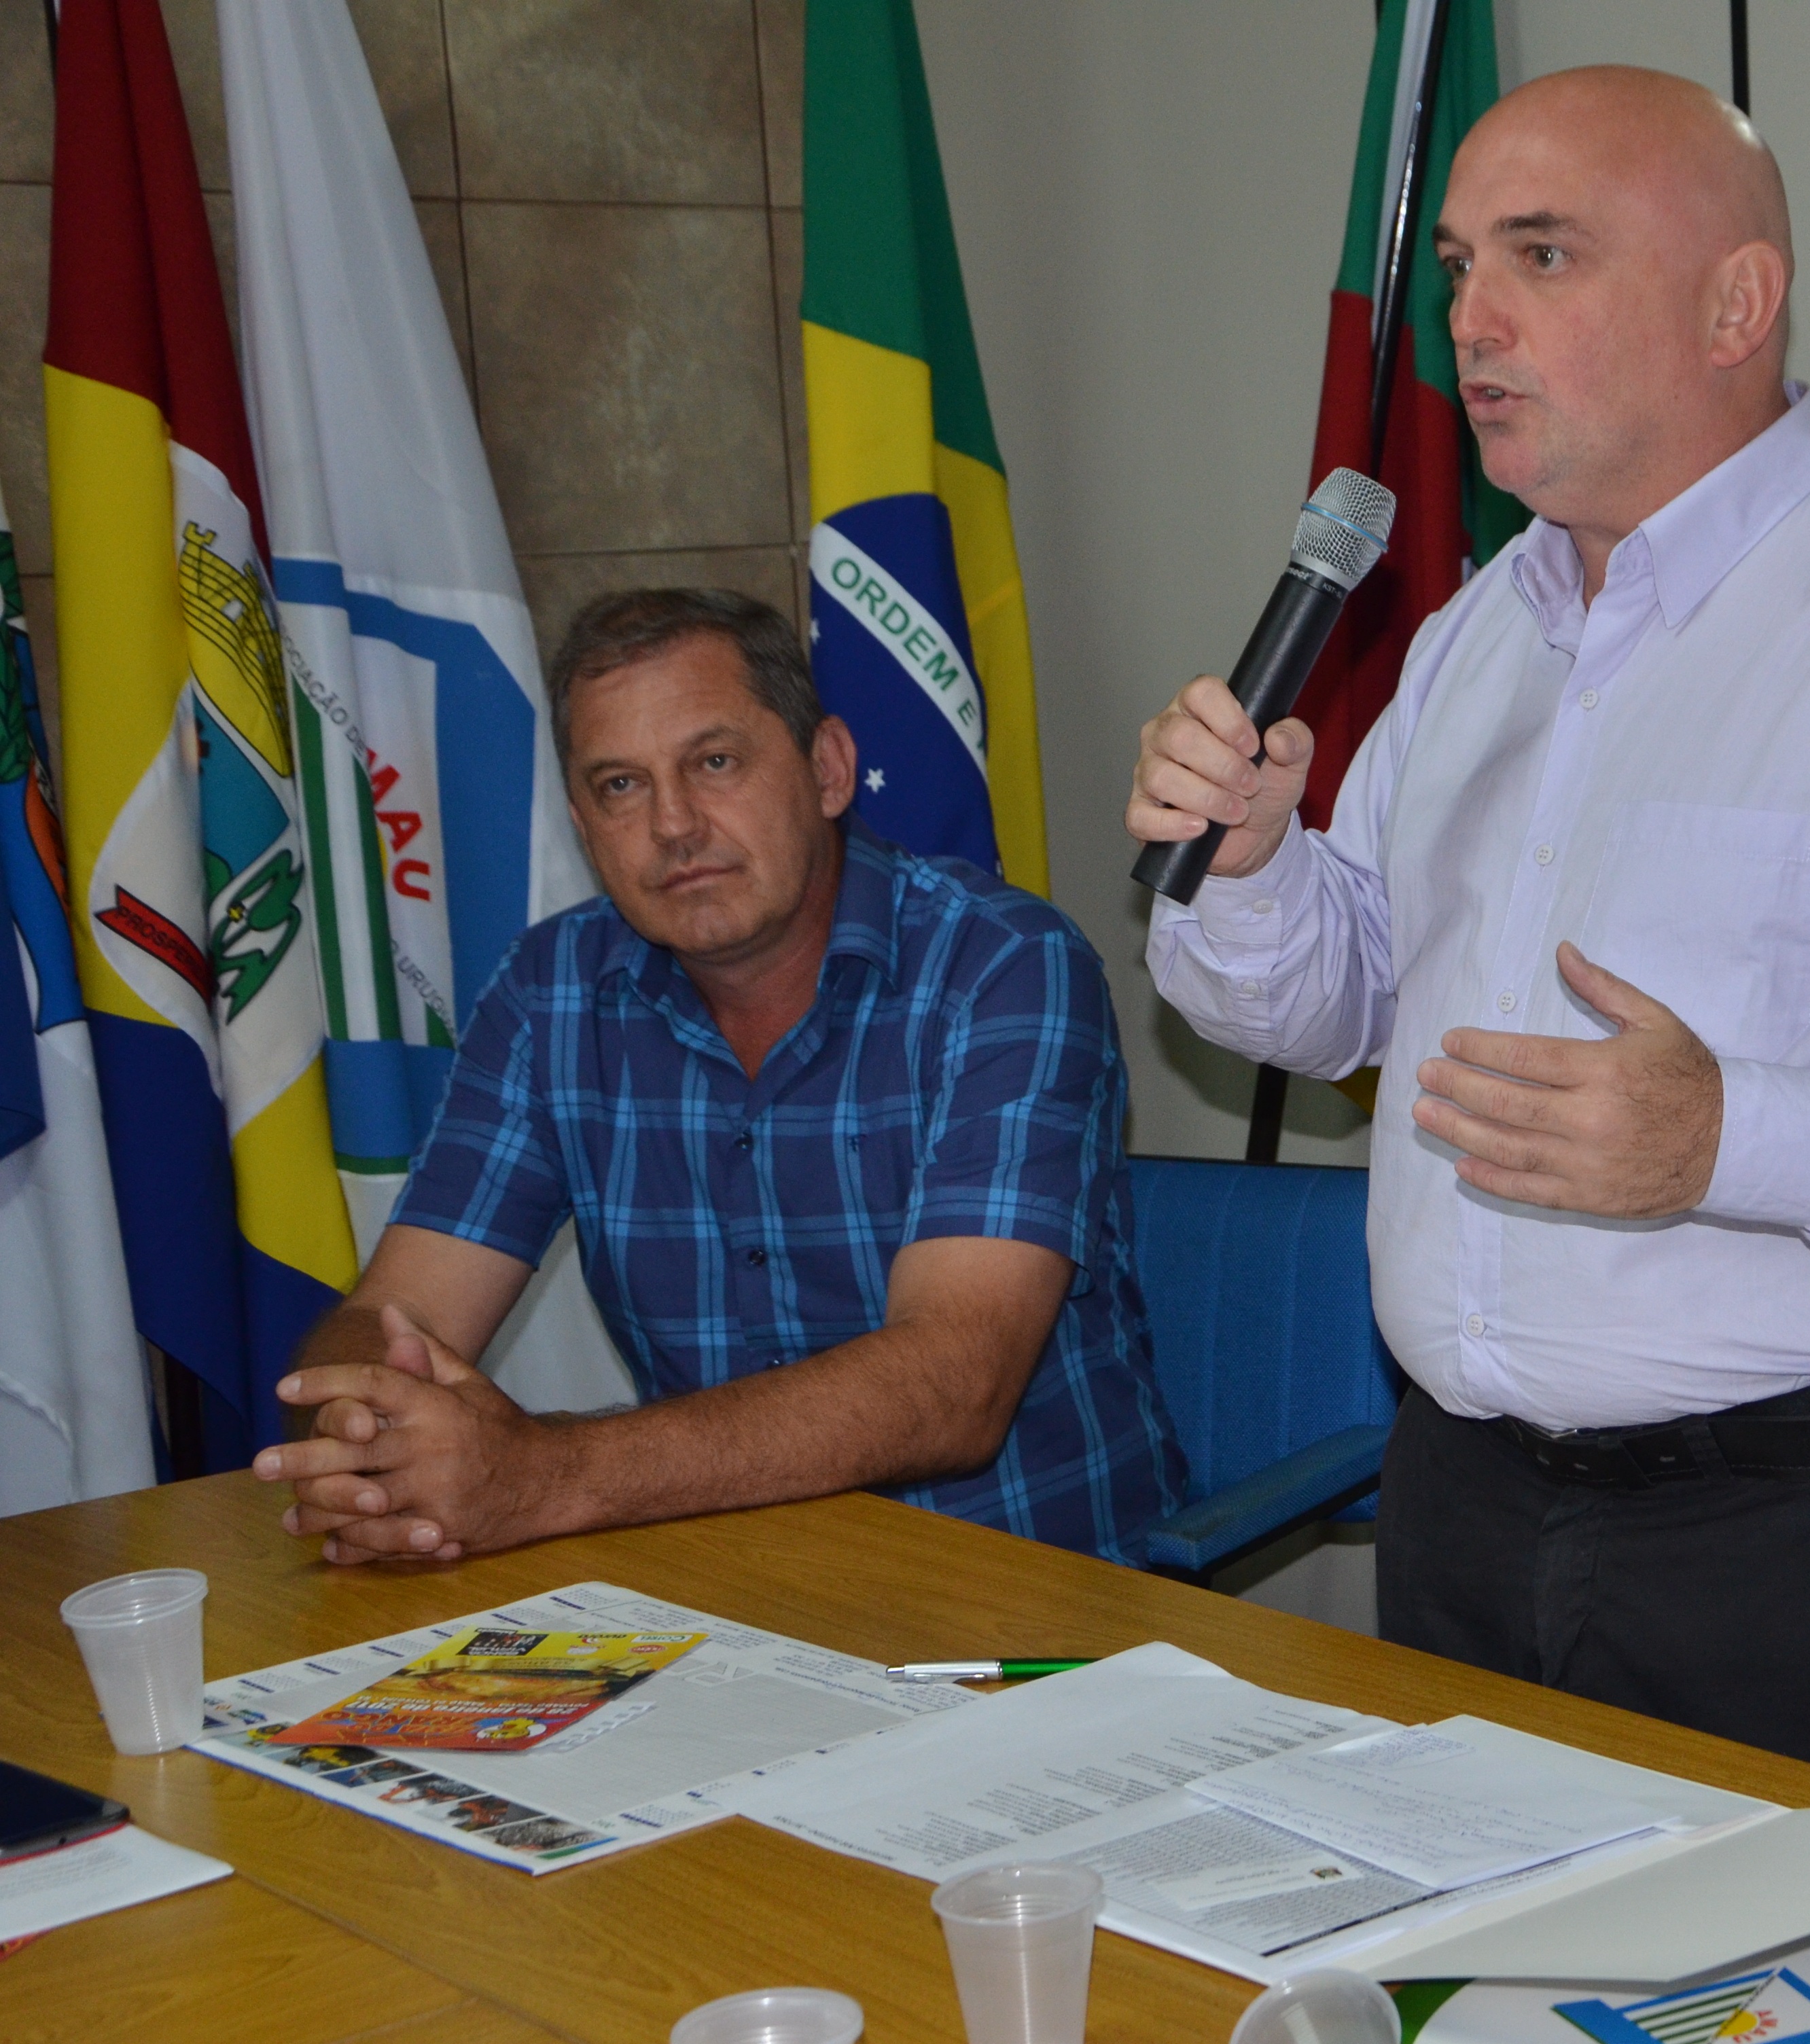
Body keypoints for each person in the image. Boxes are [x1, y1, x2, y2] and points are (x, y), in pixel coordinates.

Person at [1131, 67, 1810, 1812]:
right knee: (1467, 1984)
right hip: (1466, 1510)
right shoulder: (1475, 634)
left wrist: (1735, 1139)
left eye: (1542, 256)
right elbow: (1346, 1007)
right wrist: (1254, 871)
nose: (1471, 321)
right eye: (1459, 266)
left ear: (1736, 304)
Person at [255, 590, 1179, 1566]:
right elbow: (397, 1316)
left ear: (828, 770)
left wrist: (540, 1475)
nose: (673, 824)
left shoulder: (1002, 964)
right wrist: (367, 1435)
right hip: (718, 1594)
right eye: (621, 785)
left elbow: (956, 1383)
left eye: (715, 762)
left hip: (1024, 1591)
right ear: (582, 825)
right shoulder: (548, 993)